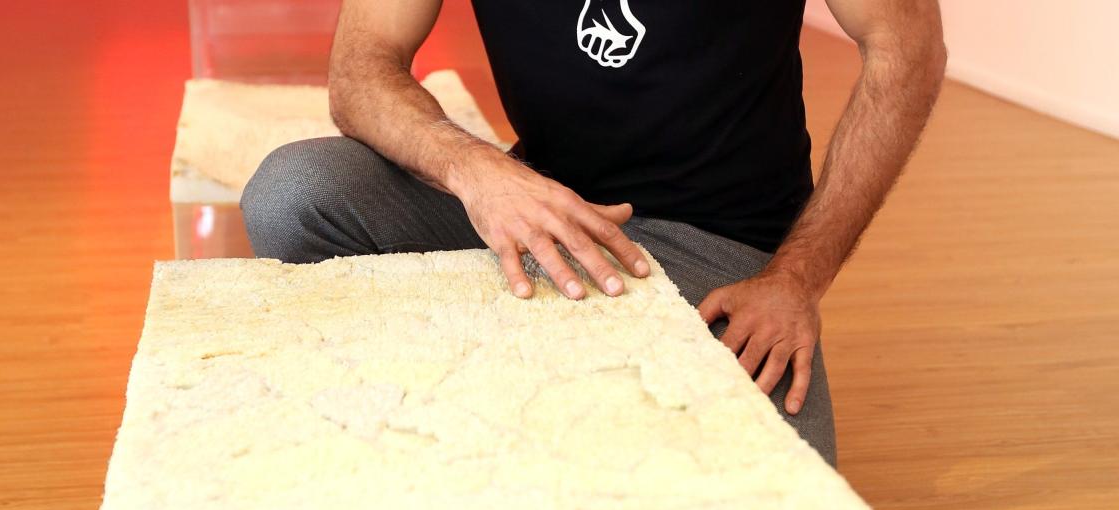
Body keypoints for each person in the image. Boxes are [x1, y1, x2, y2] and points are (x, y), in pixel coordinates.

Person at [240, 0, 946, 467]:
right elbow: (360, 69)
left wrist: (795, 279)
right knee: (294, 193)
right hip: (539, 211)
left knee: (784, 494)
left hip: (719, 249)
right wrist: (479, 172)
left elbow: (907, 47)